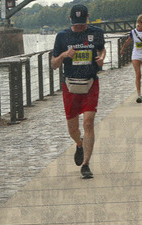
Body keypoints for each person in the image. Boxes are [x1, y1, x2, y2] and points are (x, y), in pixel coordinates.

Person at [51, 4, 106, 179]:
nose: (80, 26)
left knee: (88, 123)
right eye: (76, 24)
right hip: (71, 85)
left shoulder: (96, 32)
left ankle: (86, 164)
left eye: (82, 23)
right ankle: (79, 143)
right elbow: (53, 64)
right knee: (72, 128)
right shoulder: (62, 36)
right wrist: (64, 55)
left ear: (88, 18)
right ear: (70, 20)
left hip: (90, 82)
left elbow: (101, 49)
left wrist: (101, 58)